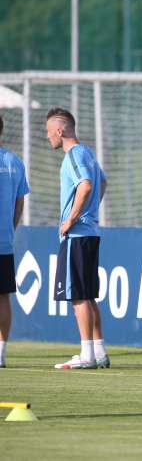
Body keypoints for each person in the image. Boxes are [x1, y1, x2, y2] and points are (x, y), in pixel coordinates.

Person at [46, 108, 109, 370]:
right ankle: (98, 352)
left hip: (77, 234)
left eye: (49, 131)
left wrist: (72, 219)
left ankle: (87, 355)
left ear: (60, 131)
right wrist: (91, 214)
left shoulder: (73, 154)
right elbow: (103, 182)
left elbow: (87, 185)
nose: (47, 136)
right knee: (87, 295)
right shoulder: (88, 153)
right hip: (90, 232)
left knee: (78, 297)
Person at [0, 115, 30, 368]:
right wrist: (10, 228)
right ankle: (0, 353)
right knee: (3, 297)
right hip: (4, 241)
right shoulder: (14, 162)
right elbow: (20, 202)